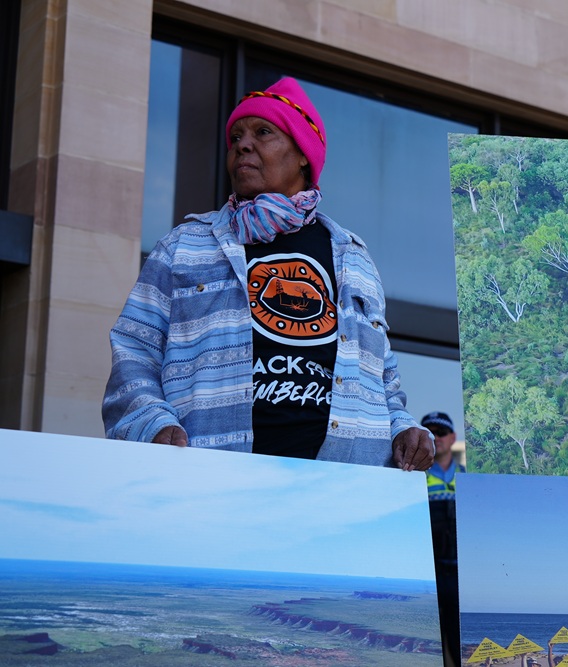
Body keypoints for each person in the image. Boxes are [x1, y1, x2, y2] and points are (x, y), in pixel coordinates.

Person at [102, 77, 433, 471]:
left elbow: (383, 381)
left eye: (263, 133)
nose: (243, 144)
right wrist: (151, 422)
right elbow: (133, 350)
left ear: (303, 155)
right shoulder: (183, 247)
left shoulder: (353, 257)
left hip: (342, 492)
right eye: (236, 136)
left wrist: (403, 430)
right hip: (210, 480)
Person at [421, 411, 464, 667]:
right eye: (430, 432)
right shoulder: (414, 476)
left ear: (452, 438)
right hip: (431, 575)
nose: (436, 438)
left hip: (462, 576)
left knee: (459, 641)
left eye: (441, 433)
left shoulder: (470, 476)